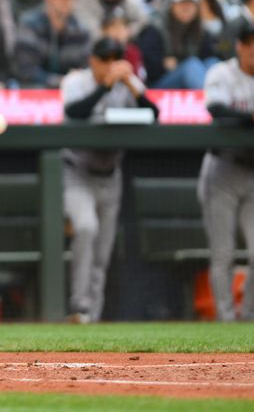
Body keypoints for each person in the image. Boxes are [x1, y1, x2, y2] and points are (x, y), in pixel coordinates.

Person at [61, 38, 159, 323]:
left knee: (102, 252)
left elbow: (154, 113)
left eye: (115, 58)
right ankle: (80, 306)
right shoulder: (76, 81)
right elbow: (73, 112)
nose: (110, 64)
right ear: (92, 59)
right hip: (78, 171)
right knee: (86, 228)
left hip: (110, 174)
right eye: (104, 58)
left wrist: (130, 83)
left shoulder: (126, 82)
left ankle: (92, 315)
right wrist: (105, 85)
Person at [198, 23, 254, 321]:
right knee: (223, 255)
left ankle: (249, 318)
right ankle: (226, 321)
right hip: (222, 170)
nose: (253, 47)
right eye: (247, 41)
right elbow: (215, 109)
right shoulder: (221, 73)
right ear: (238, 46)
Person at [136, 0, 219, 88]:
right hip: (159, 85)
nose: (186, 7)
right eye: (182, 3)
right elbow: (147, 64)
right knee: (191, 66)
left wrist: (178, 63)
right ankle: (212, 102)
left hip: (192, 80)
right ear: (172, 5)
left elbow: (208, 54)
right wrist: (163, 64)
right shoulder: (155, 28)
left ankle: (217, 99)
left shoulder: (201, 29)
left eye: (190, 3)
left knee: (213, 63)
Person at [15, 0, 90, 88]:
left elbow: (86, 67)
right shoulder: (30, 25)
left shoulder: (80, 29)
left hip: (71, 93)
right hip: (37, 92)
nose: (67, 0)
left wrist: (77, 78)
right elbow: (26, 70)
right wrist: (61, 81)